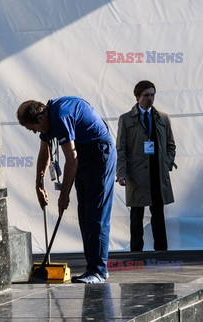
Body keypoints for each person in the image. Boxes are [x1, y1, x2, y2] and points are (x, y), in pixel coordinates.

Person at [17, 97, 116, 284]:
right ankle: (93, 267)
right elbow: (44, 152)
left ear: (39, 118)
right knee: (85, 214)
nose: (33, 132)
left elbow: (71, 160)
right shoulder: (48, 119)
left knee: (96, 214)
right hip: (83, 156)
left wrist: (64, 195)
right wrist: (38, 185)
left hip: (99, 155)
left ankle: (98, 271)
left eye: (32, 128)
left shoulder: (61, 117)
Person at [116, 80, 176, 252]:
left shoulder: (162, 118)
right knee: (136, 216)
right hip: (136, 174)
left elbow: (171, 145)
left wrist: (167, 163)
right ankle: (136, 254)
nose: (150, 99)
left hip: (157, 173)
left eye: (152, 95)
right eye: (146, 95)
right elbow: (121, 149)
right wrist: (122, 173)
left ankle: (162, 254)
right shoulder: (126, 119)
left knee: (158, 215)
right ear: (137, 97)